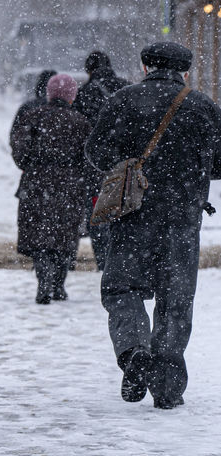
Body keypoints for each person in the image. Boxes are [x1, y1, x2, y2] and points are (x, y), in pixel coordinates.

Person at [85, 41, 221, 409]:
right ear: (185, 71)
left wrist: (131, 164)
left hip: (134, 215)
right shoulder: (204, 106)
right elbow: (220, 164)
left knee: (121, 289)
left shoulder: (124, 99)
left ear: (145, 66)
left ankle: (133, 352)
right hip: (182, 219)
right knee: (175, 301)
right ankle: (167, 388)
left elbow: (96, 153)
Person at [10, 74, 91, 304]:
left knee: (39, 233)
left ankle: (43, 280)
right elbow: (88, 158)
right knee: (65, 235)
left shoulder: (32, 117)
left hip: (36, 182)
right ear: (72, 96)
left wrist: (32, 165)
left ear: (49, 93)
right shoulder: (80, 122)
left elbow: (20, 151)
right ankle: (59, 284)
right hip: (69, 185)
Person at [73, 51, 132, 271]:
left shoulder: (83, 94)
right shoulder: (127, 89)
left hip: (95, 166)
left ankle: (103, 262)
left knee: (97, 214)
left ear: (88, 70)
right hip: (126, 165)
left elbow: (79, 133)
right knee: (125, 212)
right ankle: (123, 260)